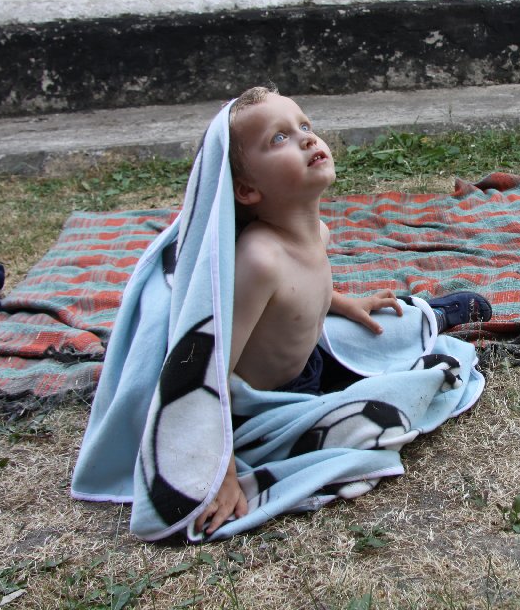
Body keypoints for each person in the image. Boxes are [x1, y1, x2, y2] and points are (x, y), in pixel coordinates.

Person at [195, 86, 491, 535]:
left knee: (375, 325)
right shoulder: (258, 258)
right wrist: (223, 472)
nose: (306, 138)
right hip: (274, 399)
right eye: (279, 138)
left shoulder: (319, 232)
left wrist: (343, 301)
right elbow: (212, 370)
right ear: (246, 189)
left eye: (305, 126)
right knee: (373, 402)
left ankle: (428, 316)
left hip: (313, 353)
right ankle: (421, 330)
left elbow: (301, 287)